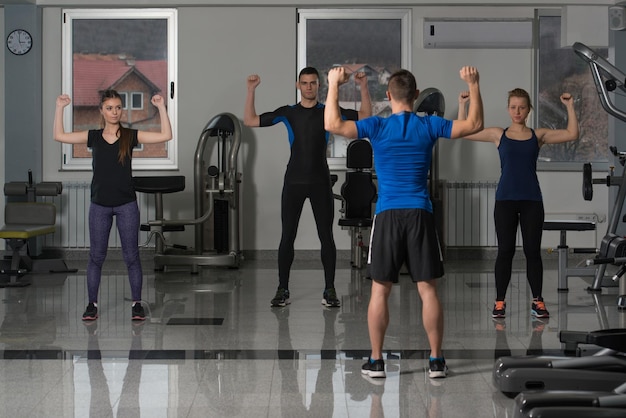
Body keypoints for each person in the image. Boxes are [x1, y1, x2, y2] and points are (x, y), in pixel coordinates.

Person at [324, 66, 484, 379]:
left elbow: (332, 124)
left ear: (389, 96)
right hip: (420, 214)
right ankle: (436, 361)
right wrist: (473, 85)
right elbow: (474, 124)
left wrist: (333, 85)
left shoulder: (378, 126)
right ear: (415, 95)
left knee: (380, 292)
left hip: (387, 216)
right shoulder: (429, 126)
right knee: (428, 291)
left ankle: (376, 361)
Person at [244, 67, 372, 308]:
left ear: (319, 85)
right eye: (304, 83)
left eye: (313, 83)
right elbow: (250, 120)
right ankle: (282, 289)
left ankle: (330, 290)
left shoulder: (328, 112)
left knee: (326, 237)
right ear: (298, 86)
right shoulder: (288, 113)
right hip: (293, 182)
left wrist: (363, 86)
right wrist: (251, 91)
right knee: (287, 237)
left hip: (320, 182)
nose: (309, 87)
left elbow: (365, 116)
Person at [457, 88, 578, 320]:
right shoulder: (497, 134)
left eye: (522, 107)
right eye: (513, 107)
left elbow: (572, 133)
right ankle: (500, 302)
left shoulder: (538, 135)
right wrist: (463, 106)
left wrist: (570, 106)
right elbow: (465, 132)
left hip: (532, 200)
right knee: (505, 251)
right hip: (505, 201)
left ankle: (538, 301)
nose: (517, 111)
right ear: (508, 109)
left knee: (533, 252)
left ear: (528, 109)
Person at [54, 90, 173, 321]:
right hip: (99, 205)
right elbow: (59, 135)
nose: (114, 112)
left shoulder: (130, 135)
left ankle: (137, 304)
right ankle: (92, 305)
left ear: (122, 110)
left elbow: (166, 135)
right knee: (96, 256)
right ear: (102, 111)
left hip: (126, 203)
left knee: (131, 256)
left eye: (118, 107)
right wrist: (59, 107)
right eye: (109, 108)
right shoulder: (94, 136)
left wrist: (161, 107)